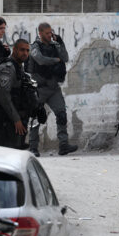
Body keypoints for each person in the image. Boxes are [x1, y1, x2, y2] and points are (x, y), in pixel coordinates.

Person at [25, 22, 77, 156]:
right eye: (47, 33)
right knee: (36, 118)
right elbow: (40, 60)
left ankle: (63, 145)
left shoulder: (55, 45)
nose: (50, 35)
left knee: (61, 114)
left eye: (51, 32)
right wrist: (55, 60)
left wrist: (60, 42)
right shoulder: (34, 46)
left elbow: (65, 58)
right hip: (39, 88)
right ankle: (33, 147)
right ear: (40, 33)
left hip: (53, 88)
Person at [0, 39, 32, 149]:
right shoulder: (8, 68)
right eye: (22, 50)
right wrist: (16, 119)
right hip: (8, 121)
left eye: (27, 50)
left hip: (18, 120)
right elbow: (4, 96)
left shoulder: (19, 67)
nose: (25, 53)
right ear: (14, 50)